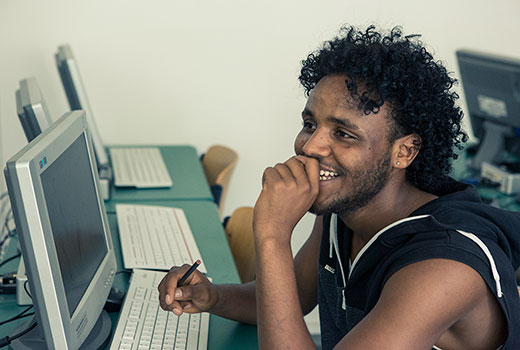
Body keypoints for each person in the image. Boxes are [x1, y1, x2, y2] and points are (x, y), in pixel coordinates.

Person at [158, 25, 520, 349]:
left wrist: (272, 235)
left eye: (343, 134)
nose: (311, 146)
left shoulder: (444, 265)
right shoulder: (346, 208)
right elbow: (294, 296)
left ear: (404, 151)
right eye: (309, 123)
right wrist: (213, 297)